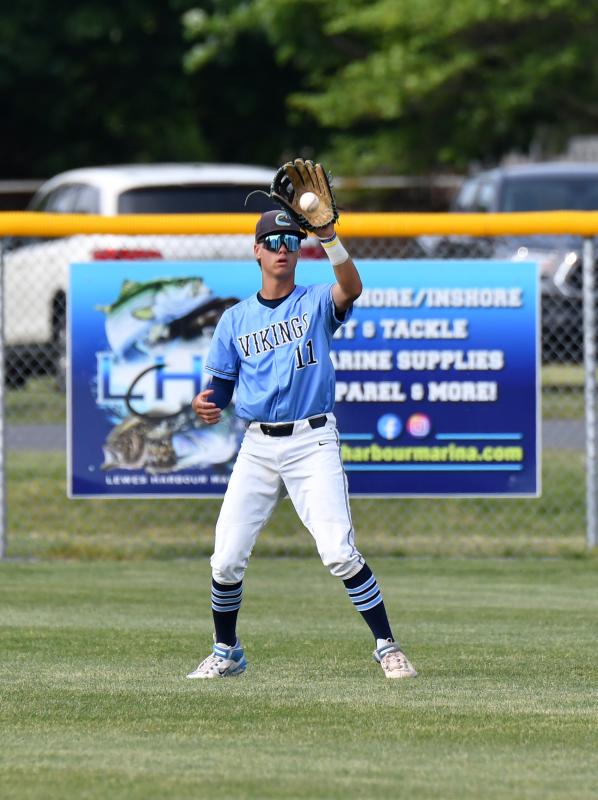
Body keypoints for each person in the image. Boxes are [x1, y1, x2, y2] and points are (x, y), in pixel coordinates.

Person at [186, 209, 417, 680]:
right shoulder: (234, 319)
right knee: (226, 557)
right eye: (272, 242)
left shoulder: (313, 302)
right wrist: (208, 404)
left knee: (338, 551)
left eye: (291, 242)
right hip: (256, 446)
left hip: (312, 440)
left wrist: (329, 238)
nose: (282, 250)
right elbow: (222, 389)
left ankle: (387, 645)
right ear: (256, 251)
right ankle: (226, 651)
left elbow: (350, 288)